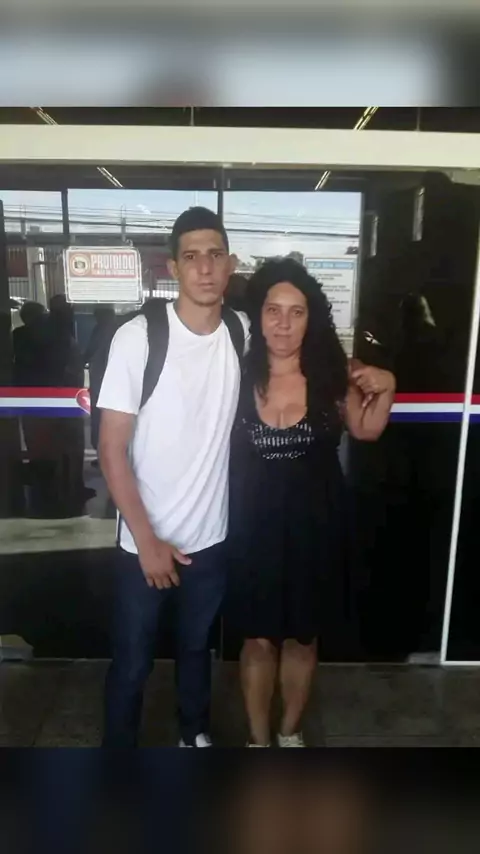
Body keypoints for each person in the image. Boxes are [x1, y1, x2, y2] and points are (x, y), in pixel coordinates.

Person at [227, 258, 396, 747]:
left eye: (296, 312)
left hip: (316, 527)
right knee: (257, 639)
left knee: (303, 638)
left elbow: (366, 429)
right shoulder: (234, 373)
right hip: (253, 528)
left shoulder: (332, 376)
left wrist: (387, 386)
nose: (283, 323)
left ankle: (290, 734)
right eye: (273, 310)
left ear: (310, 318)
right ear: (258, 317)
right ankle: (259, 741)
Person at [97, 207, 248, 747]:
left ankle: (193, 735)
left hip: (209, 538)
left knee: (196, 648)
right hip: (144, 542)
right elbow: (110, 448)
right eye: (192, 256)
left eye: (215, 255)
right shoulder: (139, 337)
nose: (205, 267)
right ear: (173, 268)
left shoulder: (241, 331)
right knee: (133, 661)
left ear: (230, 264)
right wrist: (147, 541)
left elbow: (300, 356)